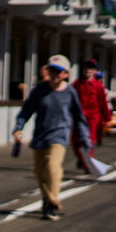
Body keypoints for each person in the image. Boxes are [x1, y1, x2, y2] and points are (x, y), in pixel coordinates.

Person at [12, 54, 91, 221]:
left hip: (59, 136)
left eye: (58, 72)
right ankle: (48, 202)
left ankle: (53, 202)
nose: (54, 75)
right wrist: (18, 128)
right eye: (52, 71)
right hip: (40, 136)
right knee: (40, 173)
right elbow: (26, 111)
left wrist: (85, 139)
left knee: (53, 166)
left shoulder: (70, 93)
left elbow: (79, 118)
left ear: (66, 74)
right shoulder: (39, 90)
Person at [71, 59, 110, 173]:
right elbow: (70, 99)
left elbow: (103, 102)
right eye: (86, 68)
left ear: (95, 71)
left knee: (89, 140)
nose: (88, 70)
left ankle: (87, 164)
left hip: (93, 117)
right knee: (75, 140)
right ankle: (81, 158)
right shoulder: (77, 83)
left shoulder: (98, 85)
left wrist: (107, 118)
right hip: (78, 116)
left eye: (91, 68)